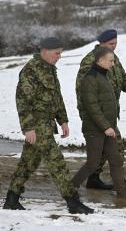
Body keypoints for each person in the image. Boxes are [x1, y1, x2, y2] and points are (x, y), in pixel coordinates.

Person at [3, 37, 93, 215]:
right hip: (37, 125)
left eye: (61, 53)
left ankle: (12, 199)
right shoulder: (30, 70)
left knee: (28, 163)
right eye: (56, 53)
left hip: (47, 123)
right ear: (44, 51)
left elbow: (56, 97)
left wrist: (63, 120)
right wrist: (28, 128)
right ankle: (72, 201)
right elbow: (23, 101)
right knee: (56, 162)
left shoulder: (50, 69)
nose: (59, 56)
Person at [72, 47, 126, 208]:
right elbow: (92, 107)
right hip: (95, 129)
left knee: (116, 161)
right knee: (92, 163)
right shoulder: (90, 79)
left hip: (108, 128)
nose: (113, 64)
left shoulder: (104, 77)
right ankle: (69, 189)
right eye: (110, 61)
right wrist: (105, 127)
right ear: (100, 61)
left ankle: (122, 197)